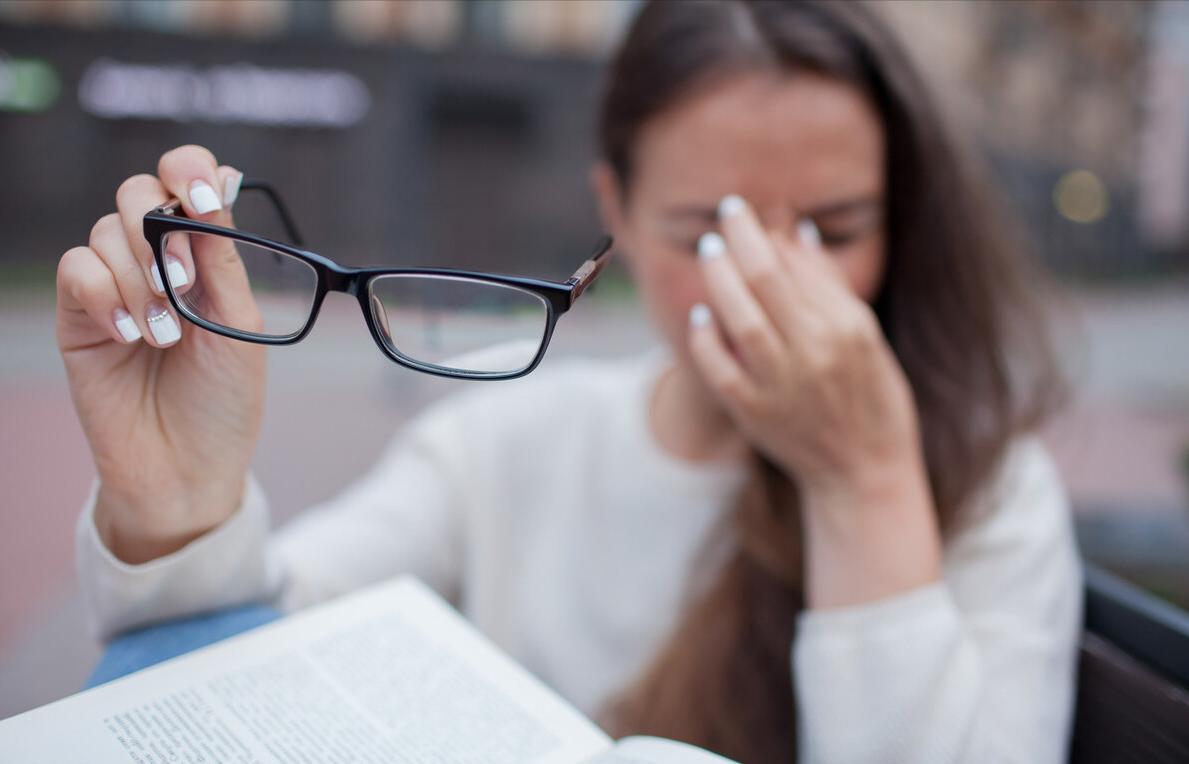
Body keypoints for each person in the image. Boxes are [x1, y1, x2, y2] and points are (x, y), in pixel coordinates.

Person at [55, 1, 1081, 762]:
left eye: (836, 229)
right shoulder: (504, 440)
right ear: (617, 217)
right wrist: (179, 499)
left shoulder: (985, 487)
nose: (776, 279)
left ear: (902, 224)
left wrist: (865, 479)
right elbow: (258, 661)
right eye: (706, 231)